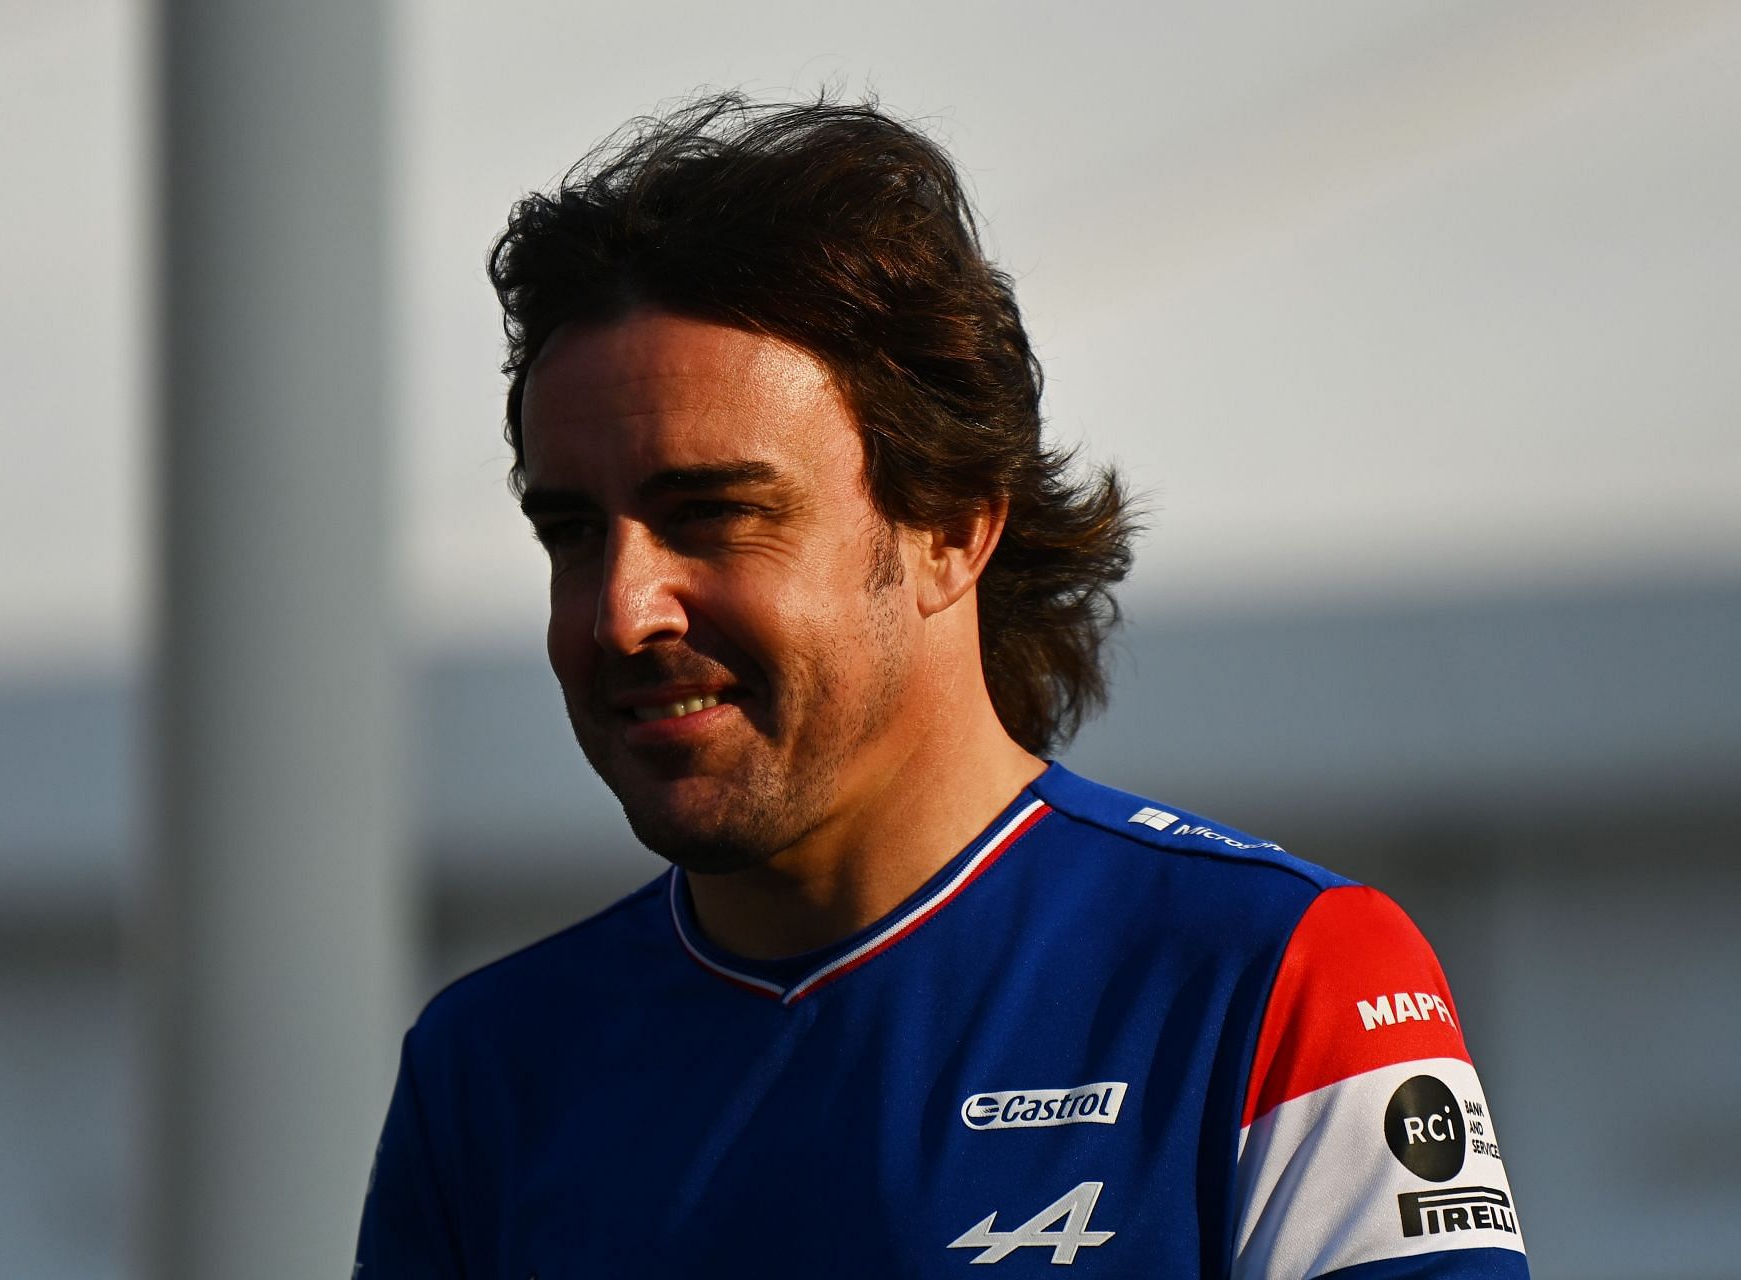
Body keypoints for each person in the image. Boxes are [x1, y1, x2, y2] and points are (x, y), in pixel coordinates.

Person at [354, 93, 1527, 1278]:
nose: (623, 607)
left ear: (952, 527)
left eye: (715, 514)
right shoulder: (491, 1069)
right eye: (570, 533)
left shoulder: (1279, 976)